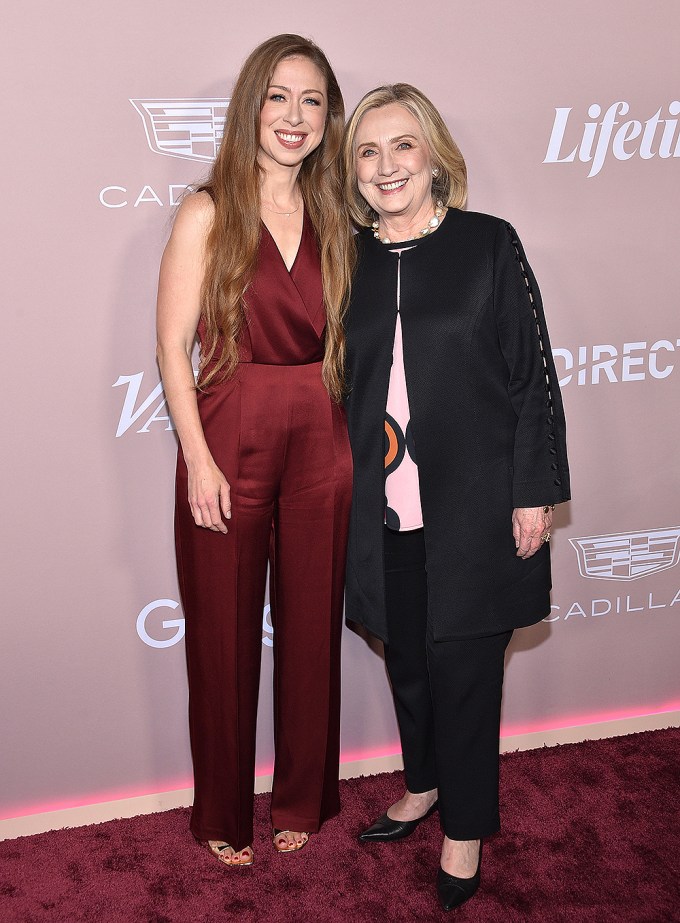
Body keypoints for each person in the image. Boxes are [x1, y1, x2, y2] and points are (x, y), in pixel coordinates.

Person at [341, 84, 570, 910]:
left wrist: (535, 489)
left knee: (466, 670)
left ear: (434, 155)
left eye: (403, 146)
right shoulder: (351, 260)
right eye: (368, 151)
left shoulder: (487, 245)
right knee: (408, 659)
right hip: (382, 508)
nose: (386, 165)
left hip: (474, 506)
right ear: (353, 170)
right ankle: (425, 782)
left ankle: (466, 826)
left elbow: (531, 375)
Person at [156, 34, 353, 867]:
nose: (295, 116)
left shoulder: (340, 212)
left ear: (327, 118)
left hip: (324, 427)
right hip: (229, 426)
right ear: (251, 106)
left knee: (312, 627)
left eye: (312, 101)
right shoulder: (207, 210)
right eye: (279, 96)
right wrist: (199, 457)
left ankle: (304, 794)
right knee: (223, 633)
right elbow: (172, 349)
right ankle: (223, 813)